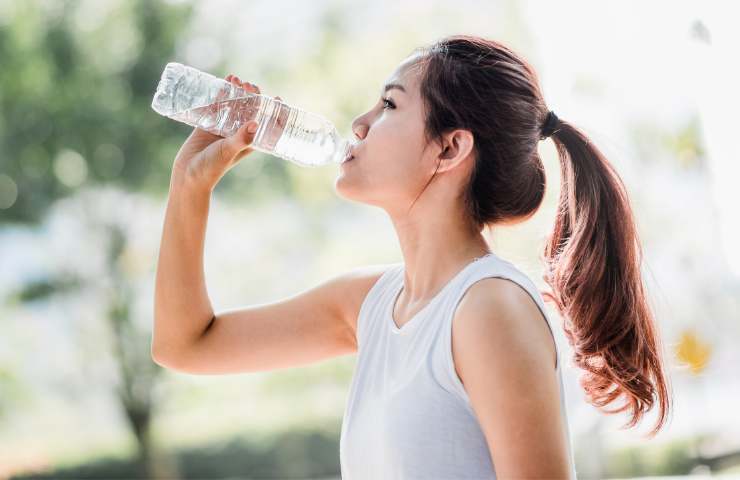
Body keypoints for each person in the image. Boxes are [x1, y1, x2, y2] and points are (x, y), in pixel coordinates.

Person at [152, 34, 672, 479]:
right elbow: (186, 345)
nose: (359, 123)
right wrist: (189, 187)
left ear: (449, 149)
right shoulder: (370, 304)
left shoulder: (489, 310)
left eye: (390, 105)